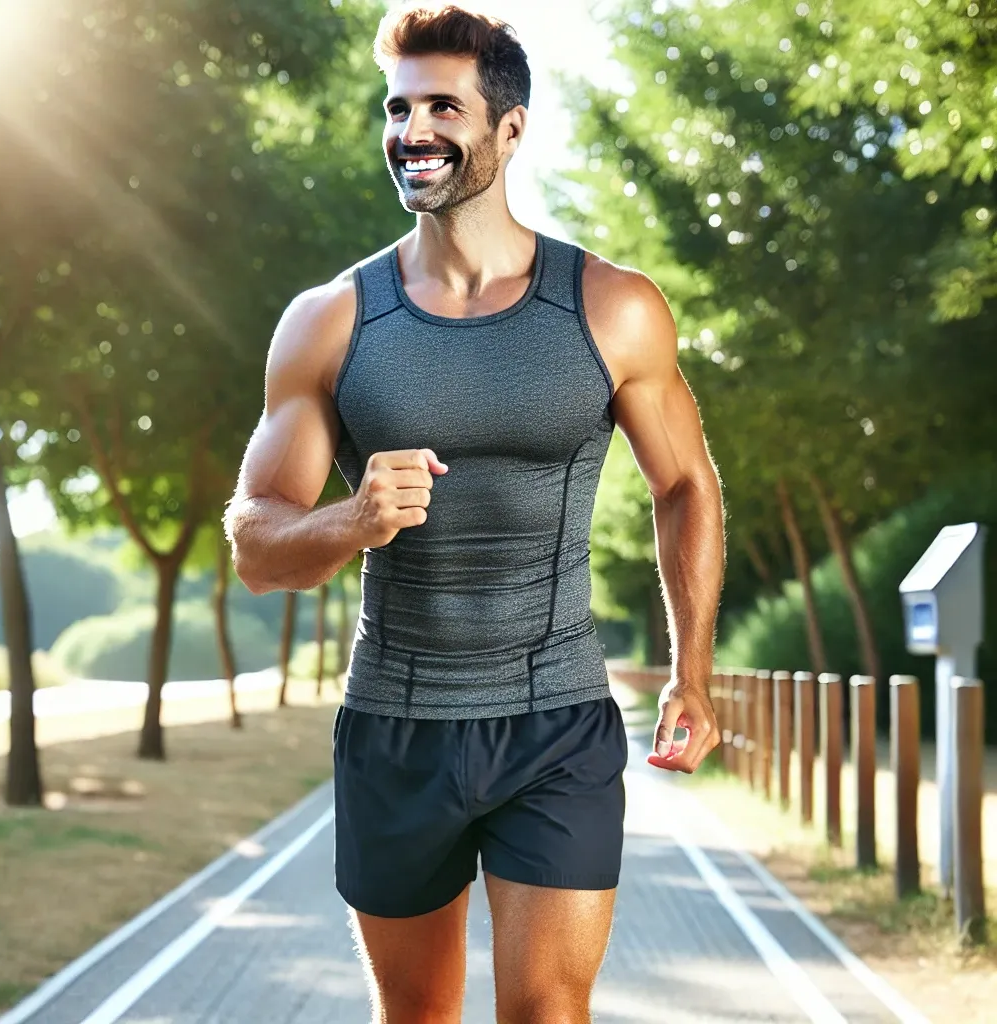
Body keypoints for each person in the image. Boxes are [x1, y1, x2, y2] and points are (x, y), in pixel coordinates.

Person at [224, 4, 724, 1021]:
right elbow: (256, 541)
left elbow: (684, 485)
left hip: (556, 720)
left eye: (441, 106)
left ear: (508, 128)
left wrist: (693, 672)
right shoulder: (331, 320)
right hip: (395, 724)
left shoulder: (611, 306)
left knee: (544, 1010)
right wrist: (348, 523)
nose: (412, 131)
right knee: (418, 1016)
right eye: (398, 106)